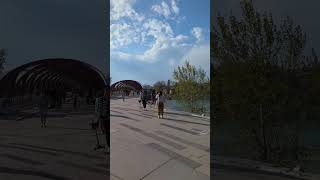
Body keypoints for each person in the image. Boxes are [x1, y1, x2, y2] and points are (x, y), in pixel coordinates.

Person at [94, 89, 109, 153]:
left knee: (107, 133)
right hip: (104, 118)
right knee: (106, 132)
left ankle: (109, 147)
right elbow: (98, 110)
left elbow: (98, 110)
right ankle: (108, 146)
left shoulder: (103, 100)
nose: (106, 93)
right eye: (106, 91)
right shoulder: (100, 99)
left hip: (106, 118)